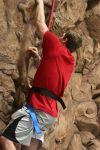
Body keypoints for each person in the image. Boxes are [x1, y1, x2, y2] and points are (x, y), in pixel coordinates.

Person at [0, 0, 82, 150]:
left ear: (65, 40)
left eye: (62, 36)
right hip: (48, 115)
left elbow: (40, 23)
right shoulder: (70, 62)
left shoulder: (56, 45)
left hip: (38, 108)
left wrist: (39, 3)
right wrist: (38, 58)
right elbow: (49, 74)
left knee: (6, 140)